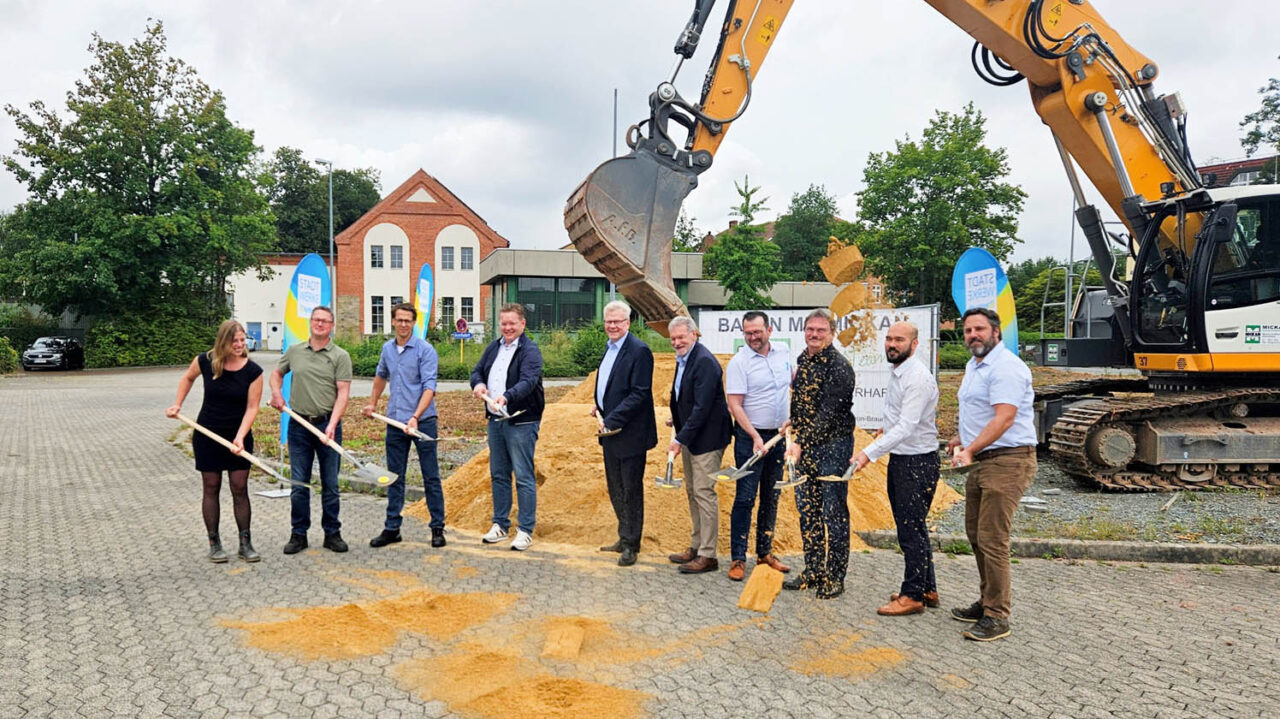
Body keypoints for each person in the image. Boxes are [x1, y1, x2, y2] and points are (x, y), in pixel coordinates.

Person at [946, 307, 1037, 642]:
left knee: (992, 539)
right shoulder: (976, 365)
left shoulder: (1007, 368)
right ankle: (987, 601)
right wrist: (962, 439)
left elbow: (1004, 419)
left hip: (1008, 460)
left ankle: (998, 616)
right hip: (982, 458)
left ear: (996, 332)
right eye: (968, 330)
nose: (973, 336)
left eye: (980, 329)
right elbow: (978, 410)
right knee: (975, 533)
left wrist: (969, 449)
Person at [851, 321, 940, 616]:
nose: (891, 343)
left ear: (914, 345)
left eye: (899, 339)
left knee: (909, 531)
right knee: (914, 527)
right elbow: (898, 420)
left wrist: (867, 453)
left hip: (916, 462)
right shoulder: (899, 372)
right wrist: (883, 429)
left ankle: (912, 595)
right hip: (905, 458)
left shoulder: (917, 378)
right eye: (889, 338)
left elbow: (907, 426)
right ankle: (927, 587)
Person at [167, 320, 264, 563]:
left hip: (238, 434)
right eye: (235, 341)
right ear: (223, 342)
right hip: (207, 432)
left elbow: (252, 408)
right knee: (211, 486)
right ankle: (214, 542)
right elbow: (187, 378)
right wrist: (178, 403)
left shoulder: (253, 371)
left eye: (243, 340)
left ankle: (245, 543)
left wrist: (240, 437)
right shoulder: (205, 361)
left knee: (239, 487)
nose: (241, 345)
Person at [782, 309, 855, 600]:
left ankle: (835, 577)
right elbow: (803, 400)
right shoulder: (803, 360)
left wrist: (800, 441)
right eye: (810, 330)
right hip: (808, 445)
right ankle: (813, 570)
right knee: (808, 510)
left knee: (833, 513)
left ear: (832, 333)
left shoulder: (839, 367)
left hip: (834, 447)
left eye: (820, 330)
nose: (814, 335)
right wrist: (793, 421)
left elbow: (828, 414)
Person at [268, 305, 353, 555]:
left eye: (325, 321)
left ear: (331, 326)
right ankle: (298, 534)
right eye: (316, 320)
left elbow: (343, 393)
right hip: (299, 427)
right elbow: (276, 374)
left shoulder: (340, 356)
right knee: (298, 483)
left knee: (330, 484)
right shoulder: (295, 351)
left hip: (328, 426)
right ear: (310, 322)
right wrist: (276, 393)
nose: (319, 324)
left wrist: (332, 425)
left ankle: (332, 533)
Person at [361, 302, 446, 549]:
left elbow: (430, 387)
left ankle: (437, 528)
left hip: (423, 422)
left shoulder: (425, 350)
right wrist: (372, 403)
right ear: (393, 321)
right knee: (394, 477)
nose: (403, 324)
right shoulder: (387, 349)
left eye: (408, 320)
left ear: (414, 322)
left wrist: (416, 417)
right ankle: (392, 528)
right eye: (399, 320)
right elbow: (381, 376)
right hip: (395, 421)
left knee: (431, 476)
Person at [724, 311, 793, 582]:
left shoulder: (784, 352)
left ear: (769, 330)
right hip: (748, 439)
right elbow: (735, 405)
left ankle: (764, 553)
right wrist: (754, 436)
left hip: (778, 437)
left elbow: (792, 383)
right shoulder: (739, 363)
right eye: (748, 333)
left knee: (771, 496)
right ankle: (738, 558)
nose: (753, 337)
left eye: (757, 332)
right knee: (745, 498)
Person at [470, 303, 545, 551]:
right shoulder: (494, 347)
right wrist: (479, 384)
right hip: (495, 421)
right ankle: (500, 524)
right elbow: (477, 370)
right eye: (504, 323)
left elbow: (529, 381)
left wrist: (507, 397)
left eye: (512, 323)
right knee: (499, 474)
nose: (508, 328)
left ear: (523, 324)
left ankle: (525, 530)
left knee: (523, 476)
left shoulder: (530, 351)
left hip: (521, 420)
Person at [663, 316, 731, 575]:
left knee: (704, 492)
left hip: (708, 438)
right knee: (693, 491)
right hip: (693, 435)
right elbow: (687, 397)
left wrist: (680, 439)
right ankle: (696, 544)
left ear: (694, 335)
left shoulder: (704, 361)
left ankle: (708, 555)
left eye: (681, 337)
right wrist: (677, 417)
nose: (677, 342)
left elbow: (702, 408)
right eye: (673, 339)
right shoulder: (684, 359)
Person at [593, 300, 658, 567]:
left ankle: (632, 544)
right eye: (608, 321)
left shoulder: (639, 351)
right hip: (610, 433)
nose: (612, 326)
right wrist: (597, 406)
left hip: (630, 433)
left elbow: (639, 393)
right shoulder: (609, 349)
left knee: (631, 489)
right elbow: (610, 387)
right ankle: (624, 534)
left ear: (628, 322)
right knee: (615, 488)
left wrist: (611, 418)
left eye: (617, 321)